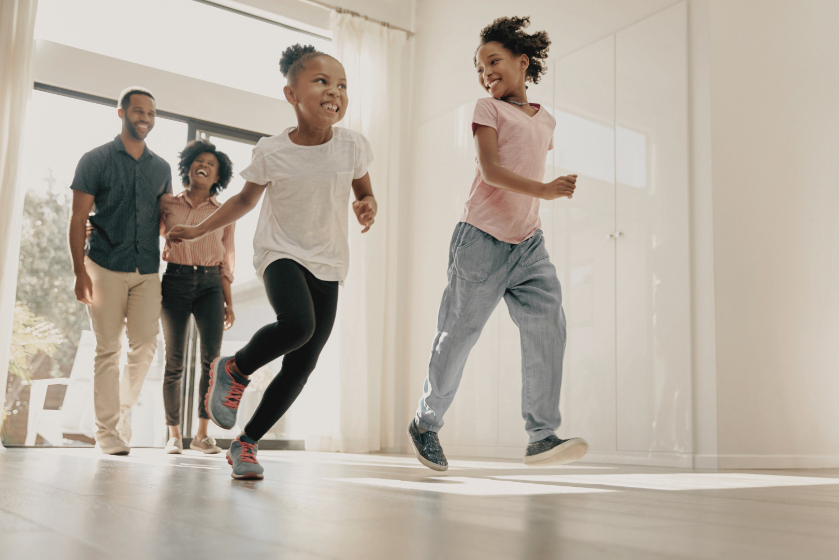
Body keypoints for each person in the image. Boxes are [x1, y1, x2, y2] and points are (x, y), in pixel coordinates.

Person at [167, 44, 377, 479]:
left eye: (341, 85)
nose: (334, 91)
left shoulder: (352, 145)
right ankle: (234, 368)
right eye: (321, 81)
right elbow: (245, 200)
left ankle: (246, 444)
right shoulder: (273, 150)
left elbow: (363, 187)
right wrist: (198, 229)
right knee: (298, 326)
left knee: (303, 361)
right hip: (281, 251)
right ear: (291, 94)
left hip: (330, 260)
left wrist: (367, 204)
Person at [408, 16, 588, 471]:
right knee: (459, 333)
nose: (486, 72)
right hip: (481, 241)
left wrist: (539, 197)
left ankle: (542, 436)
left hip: (529, 244)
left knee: (548, 327)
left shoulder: (545, 119)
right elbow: (491, 171)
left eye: (494, 61)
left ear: (522, 62)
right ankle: (426, 423)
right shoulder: (486, 109)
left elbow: (523, 164)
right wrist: (546, 190)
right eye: (480, 67)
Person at [69, 86, 172, 455]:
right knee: (108, 348)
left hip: (147, 267)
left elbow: (163, 219)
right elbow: (78, 217)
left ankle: (121, 410)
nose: (145, 118)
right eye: (139, 111)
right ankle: (107, 432)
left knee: (145, 346)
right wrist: (79, 271)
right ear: (122, 113)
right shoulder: (95, 160)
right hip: (104, 264)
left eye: (151, 113)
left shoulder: (161, 168)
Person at [159, 140, 236, 455]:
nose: (204, 165)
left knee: (211, 362)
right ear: (188, 165)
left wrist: (229, 302)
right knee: (174, 361)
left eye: (211, 163)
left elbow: (226, 260)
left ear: (218, 174)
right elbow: (150, 235)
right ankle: (174, 436)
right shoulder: (167, 203)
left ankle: (201, 436)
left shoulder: (224, 213)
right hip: (174, 281)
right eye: (199, 160)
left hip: (210, 287)